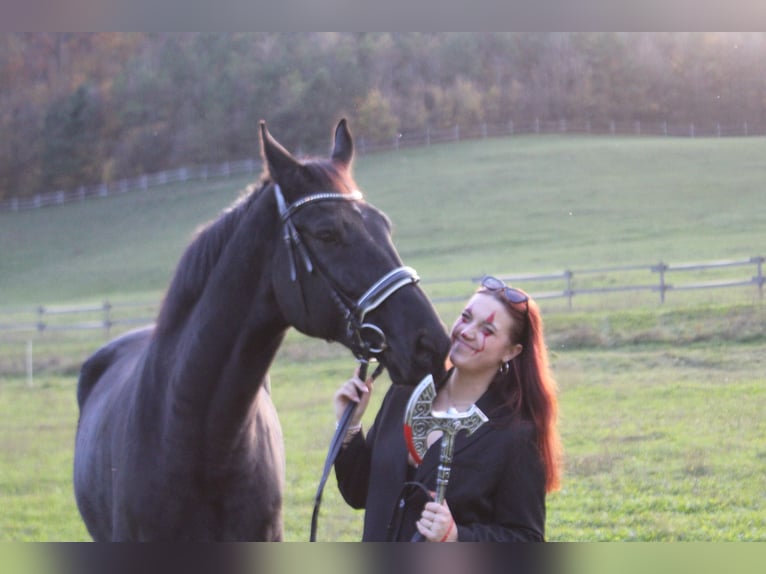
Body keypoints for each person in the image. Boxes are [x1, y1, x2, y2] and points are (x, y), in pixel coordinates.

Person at [333, 276, 562, 542]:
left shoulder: (514, 434)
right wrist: (350, 425)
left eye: (487, 330)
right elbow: (359, 493)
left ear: (511, 351)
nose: (466, 331)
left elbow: (527, 539)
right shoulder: (406, 393)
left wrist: (456, 537)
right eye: (466, 317)